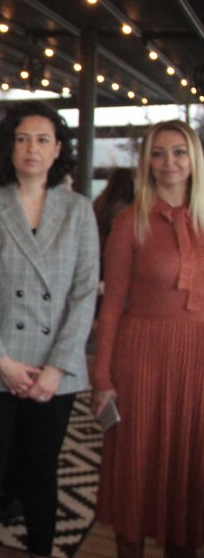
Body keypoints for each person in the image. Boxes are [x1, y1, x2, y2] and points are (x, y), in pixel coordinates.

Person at [0, 102, 99, 558]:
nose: (32, 148)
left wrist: (57, 368)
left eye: (42, 140)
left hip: (52, 371)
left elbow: (84, 293)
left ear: (58, 149)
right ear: (9, 147)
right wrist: (0, 361)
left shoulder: (79, 211)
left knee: (41, 471)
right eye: (22, 139)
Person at [93, 120, 204, 558]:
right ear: (146, 162)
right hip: (141, 360)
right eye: (158, 153)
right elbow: (111, 306)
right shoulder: (130, 222)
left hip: (197, 362)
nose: (168, 161)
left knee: (189, 467)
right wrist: (102, 377)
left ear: (194, 158)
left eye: (178, 151)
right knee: (136, 466)